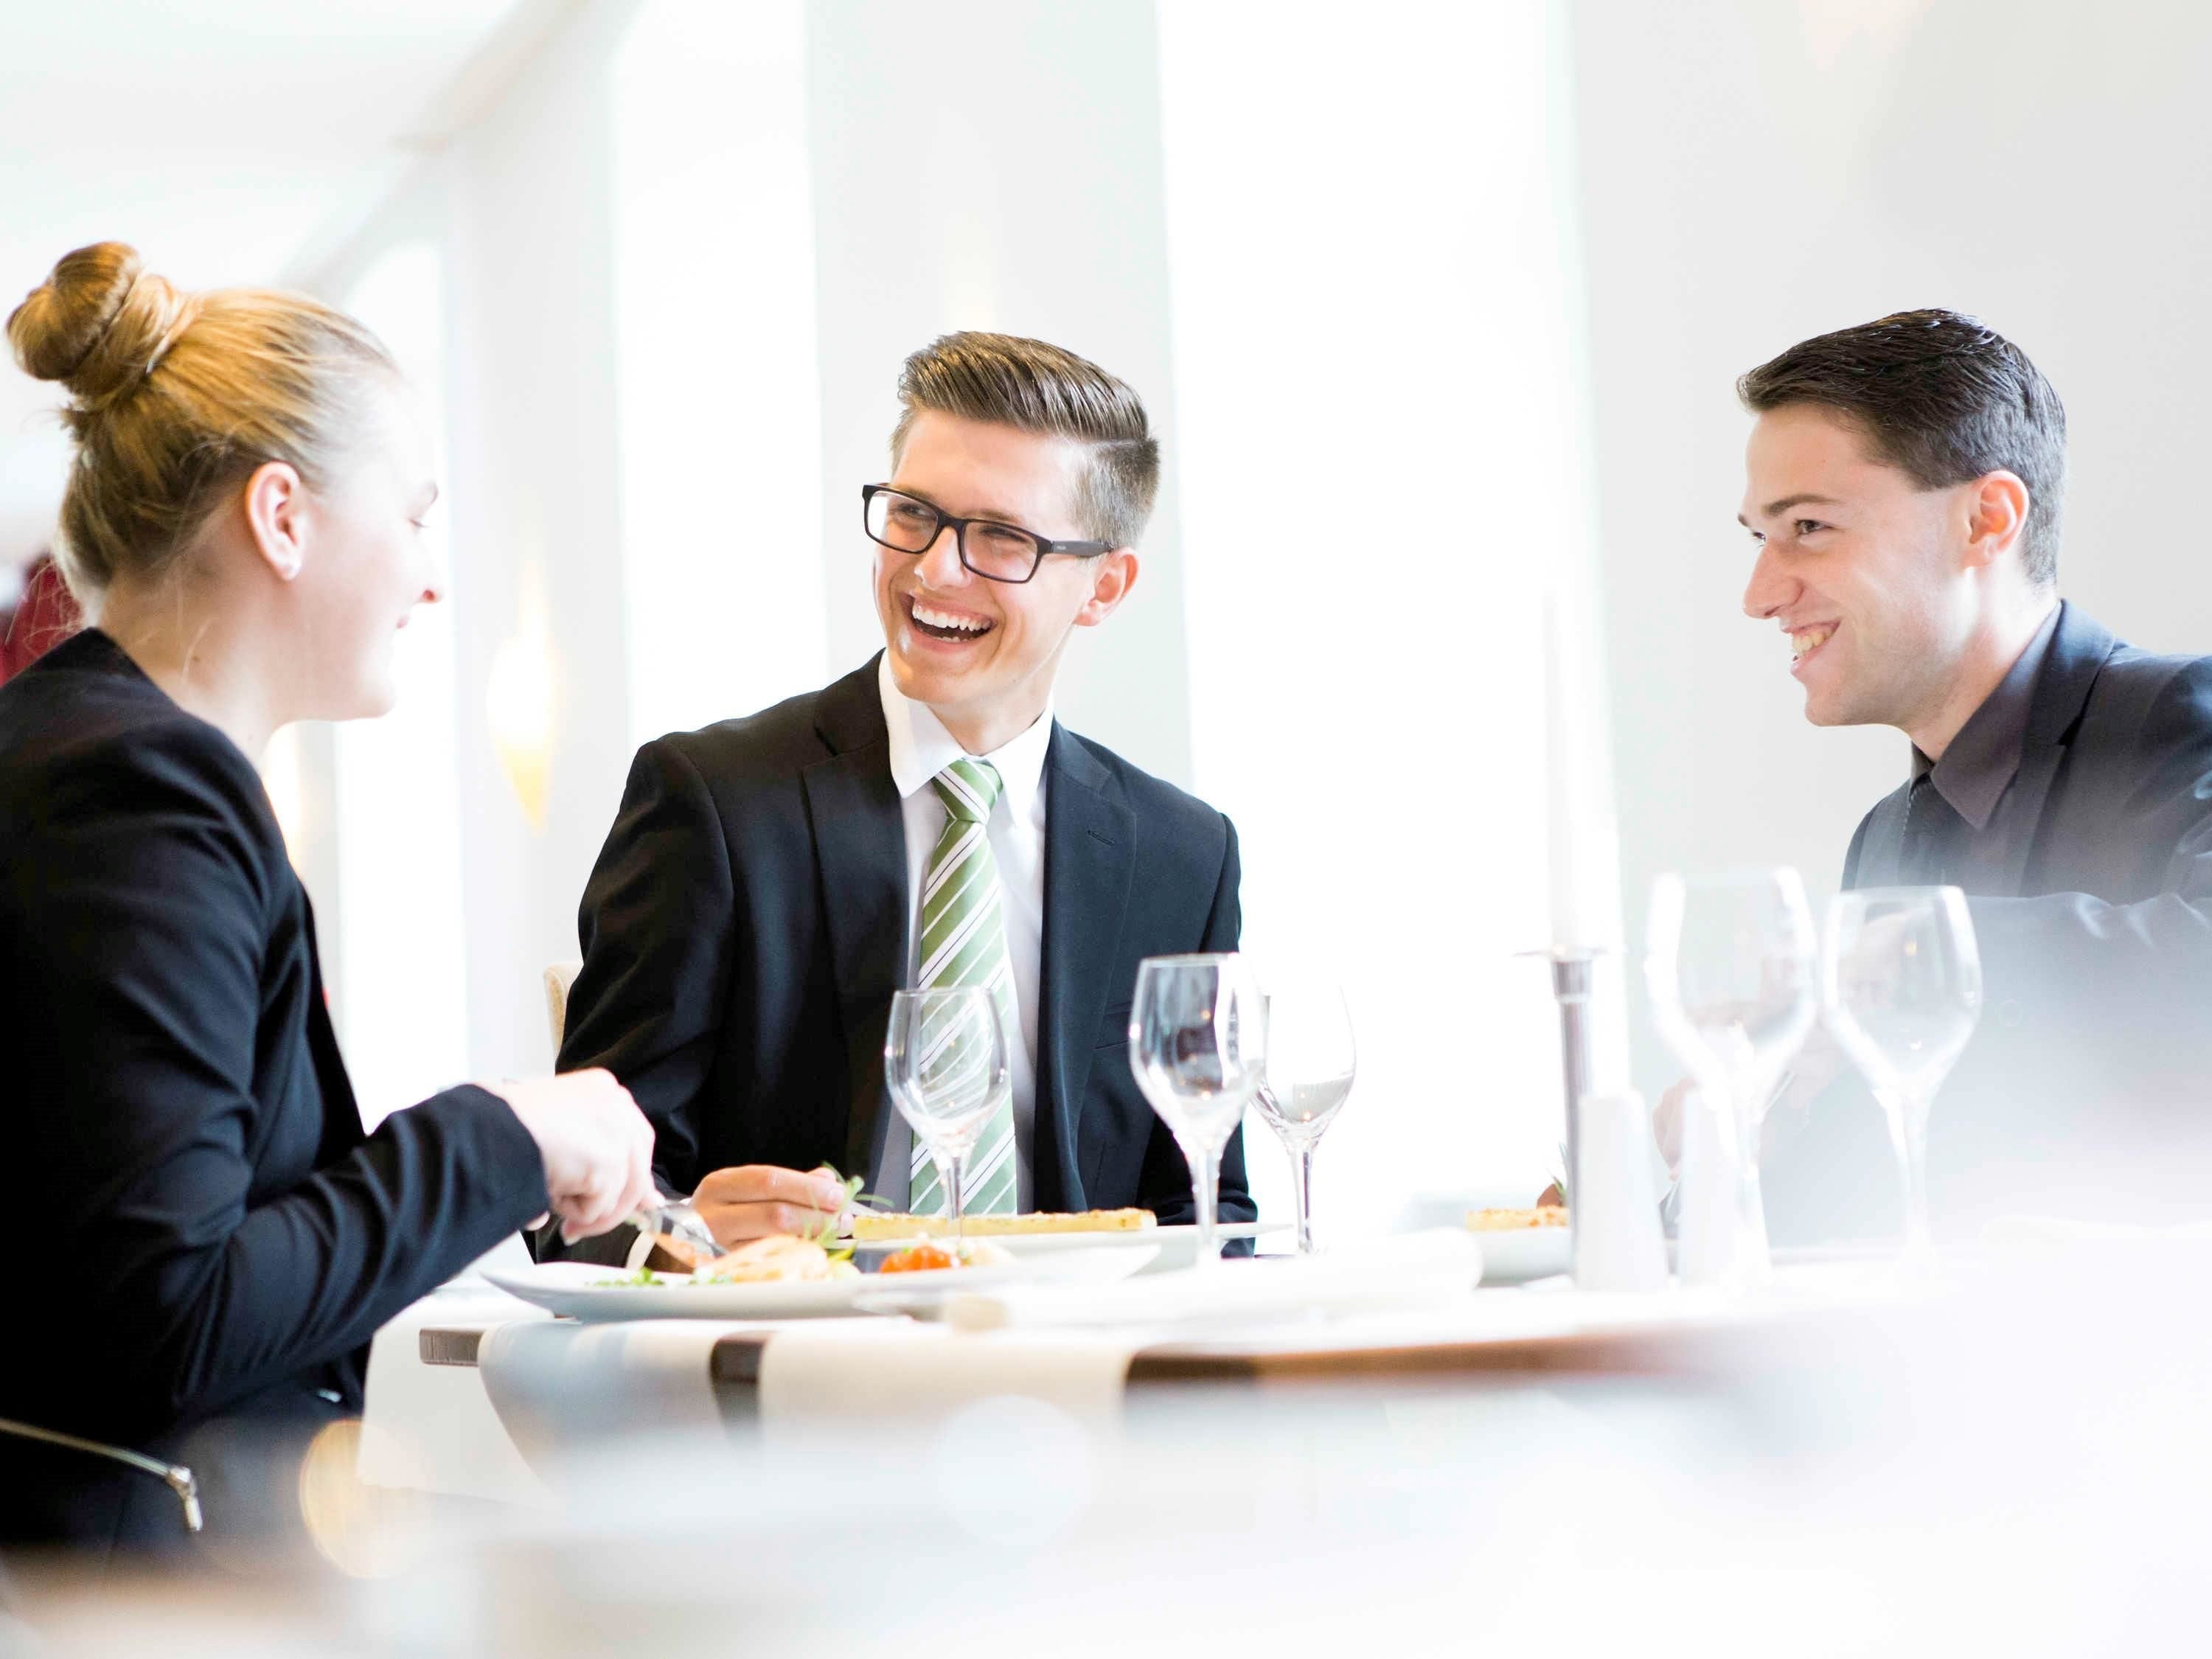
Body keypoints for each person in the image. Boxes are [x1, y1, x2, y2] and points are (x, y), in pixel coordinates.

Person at [0, 243, 656, 1555]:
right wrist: (506, 1135)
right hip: (123, 1585)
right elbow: (172, 1315)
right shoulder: (140, 793)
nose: (430, 576)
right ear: (283, 516)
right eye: (411, 517)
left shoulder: (73, 750)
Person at [552, 332, 1253, 1259]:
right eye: (914, 513)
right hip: (795, 1345)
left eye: (1001, 537)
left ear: (1104, 587)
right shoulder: (714, 805)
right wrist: (687, 1237)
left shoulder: (1182, 856)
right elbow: (578, 1214)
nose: (933, 569)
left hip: (1081, 1346)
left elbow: (1206, 1204)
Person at [1720, 307, 2212, 1239]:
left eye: (1810, 526)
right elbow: (1877, 1191)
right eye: (1759, 538)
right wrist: (1744, 1136)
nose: (1760, 595)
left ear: (1987, 520)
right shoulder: (1884, 841)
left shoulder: (2183, 713)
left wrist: (1910, 954)